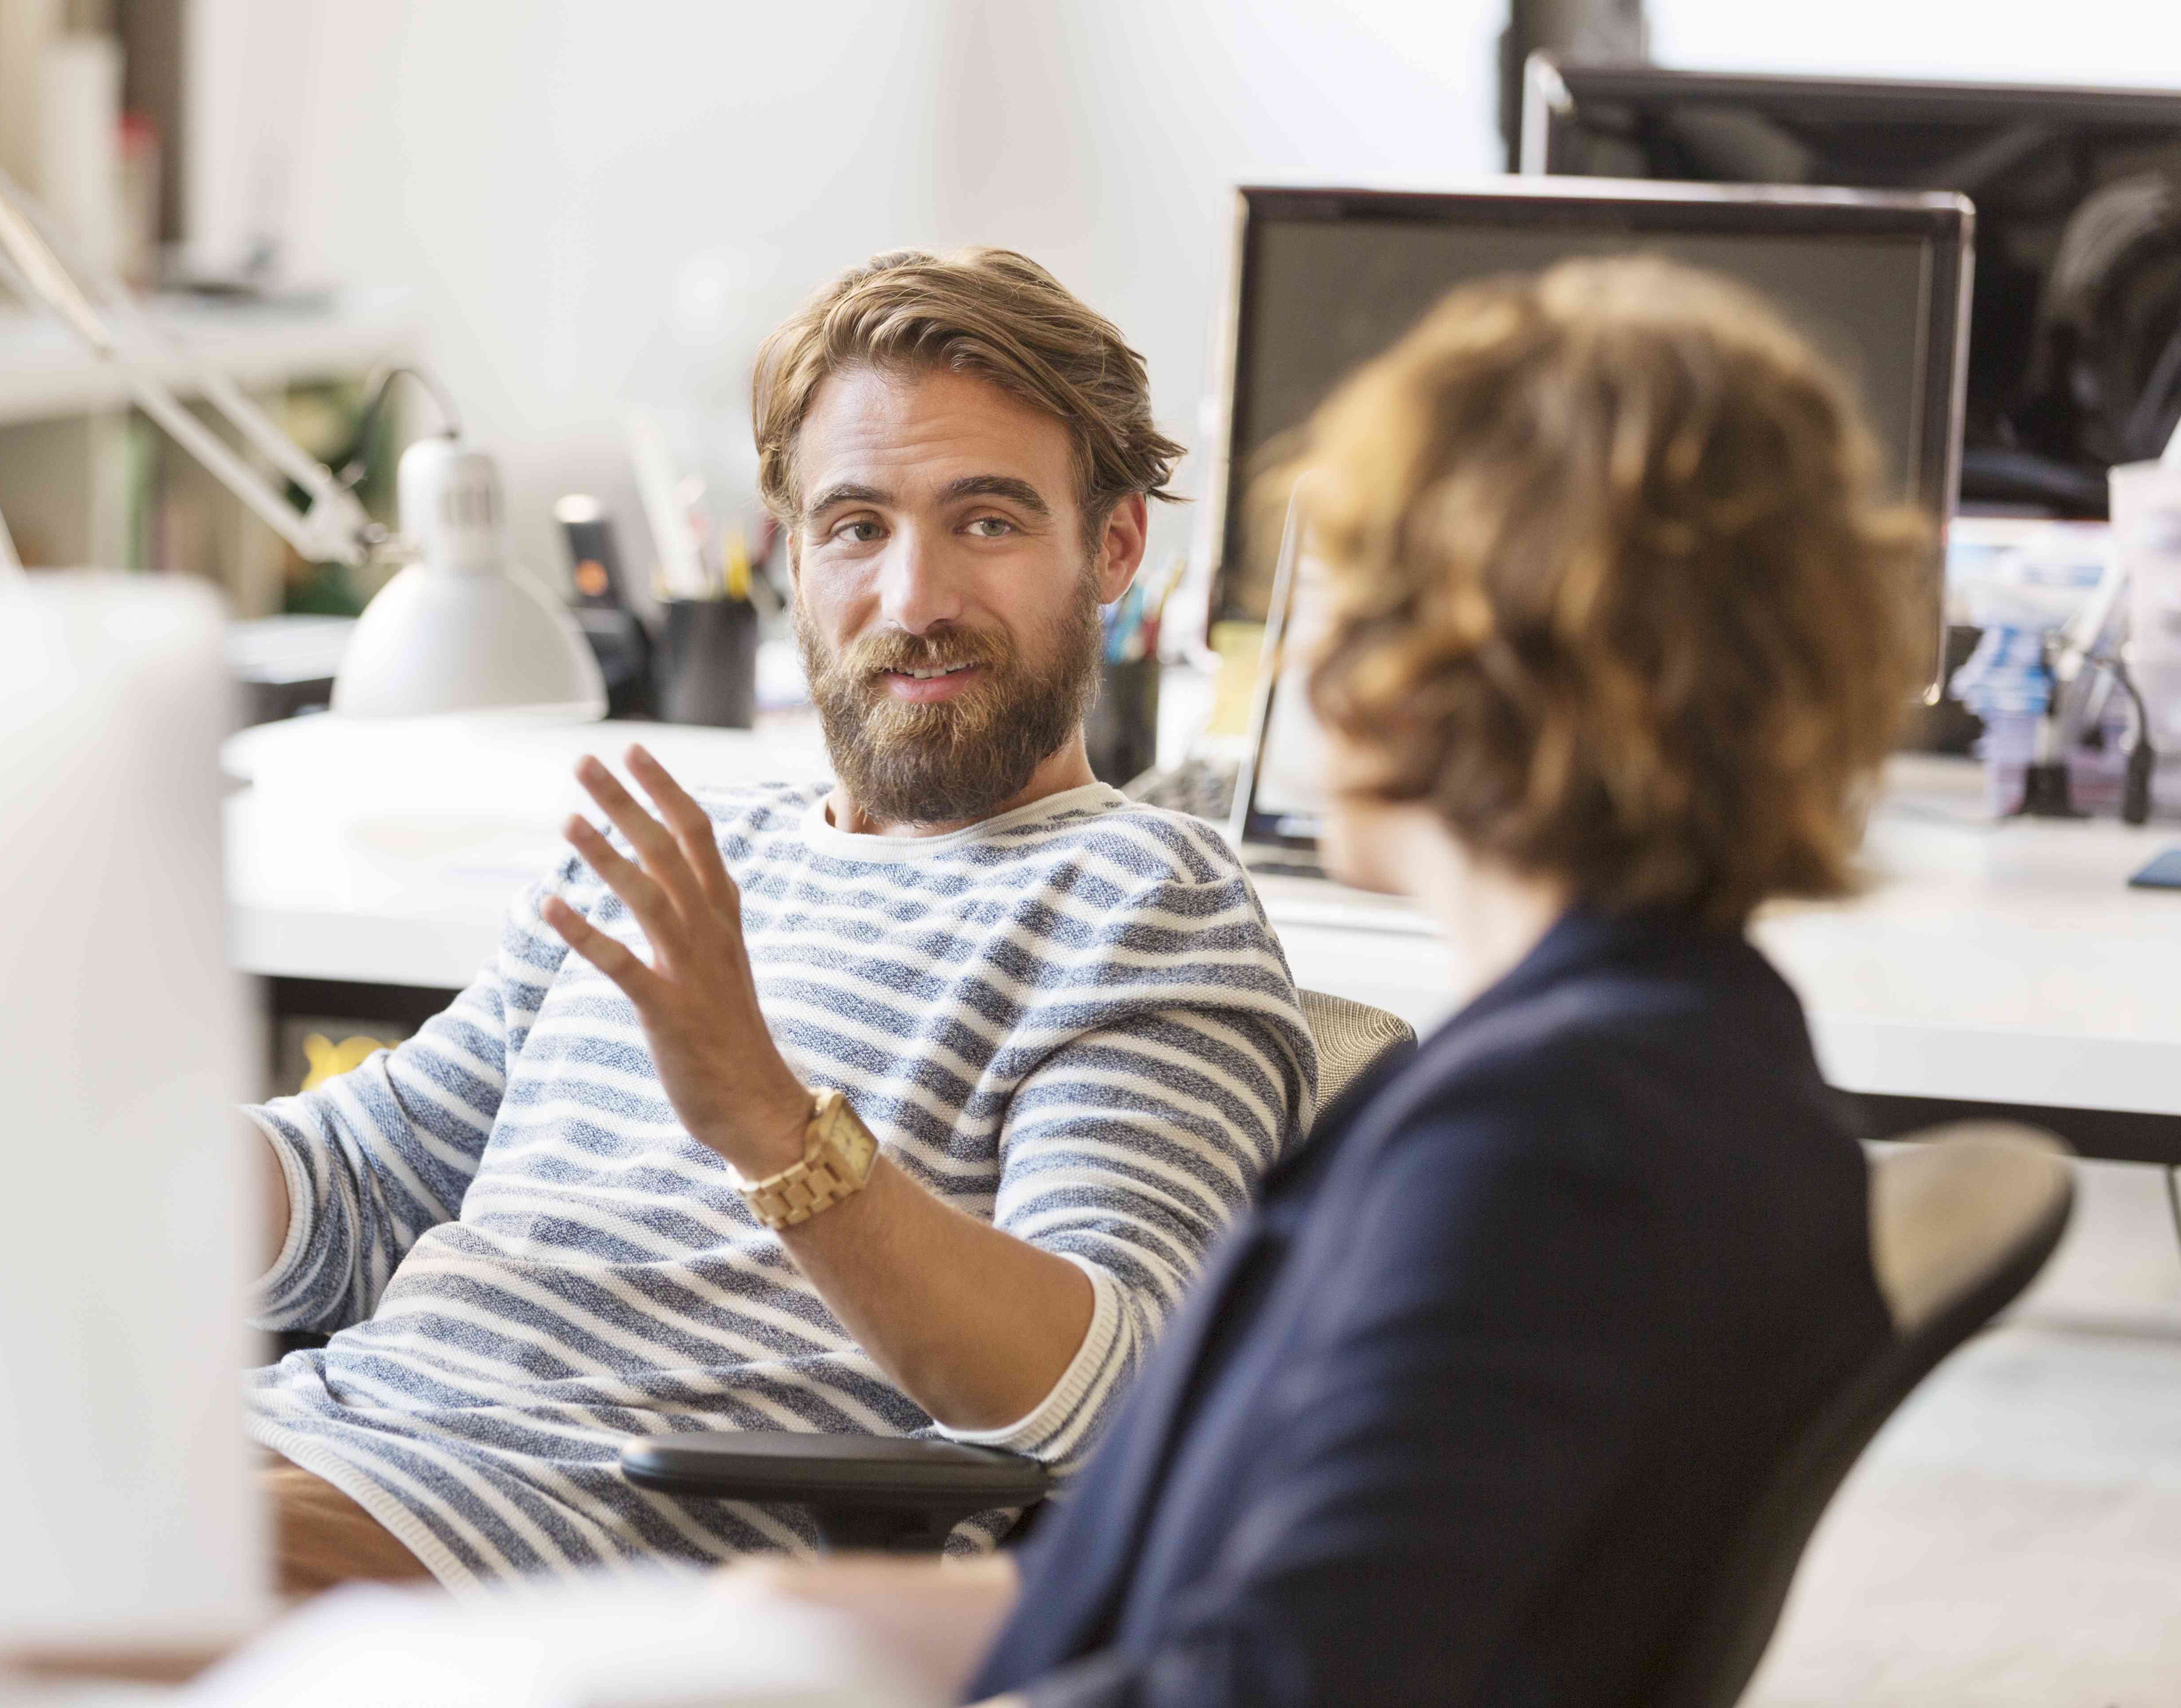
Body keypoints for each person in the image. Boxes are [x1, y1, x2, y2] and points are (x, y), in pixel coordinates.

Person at [755, 255, 1930, 1708]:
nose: (1297, 650)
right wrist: (744, 1634)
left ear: (1473, 657)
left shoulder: (1561, 1152)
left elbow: (1283, 1678)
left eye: (1342, 588)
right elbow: (1141, 1593)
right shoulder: (1646, 1055)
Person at [243, 248, 1320, 1593]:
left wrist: (765, 1116)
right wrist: (100, 1148)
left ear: (1110, 549)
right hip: (292, 1453)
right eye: (857, 527)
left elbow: (1103, 1393)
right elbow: (356, 1192)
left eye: (986, 522)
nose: (914, 601)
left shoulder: (1144, 904)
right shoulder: (685, 851)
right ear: (790, 555)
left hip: (535, 1561)